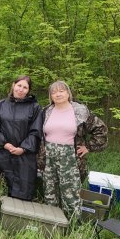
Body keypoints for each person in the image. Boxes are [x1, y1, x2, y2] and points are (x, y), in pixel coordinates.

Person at [39, 81, 107, 219]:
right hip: (48, 158)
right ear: (50, 96)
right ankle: (52, 224)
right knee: (50, 193)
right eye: (54, 92)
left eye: (61, 91)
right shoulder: (46, 111)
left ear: (68, 93)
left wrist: (88, 147)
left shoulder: (80, 111)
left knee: (70, 195)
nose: (58, 94)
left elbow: (100, 129)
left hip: (70, 159)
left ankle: (72, 228)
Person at [0, 75, 42, 201]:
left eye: (25, 87)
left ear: (29, 90)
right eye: (19, 85)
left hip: (24, 156)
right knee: (0, 191)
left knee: (22, 192)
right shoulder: (0, 105)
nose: (21, 89)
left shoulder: (35, 107)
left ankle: (18, 219)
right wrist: (5, 144)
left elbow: (36, 131)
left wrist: (23, 148)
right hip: (2, 153)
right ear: (13, 85)